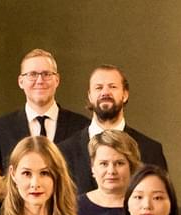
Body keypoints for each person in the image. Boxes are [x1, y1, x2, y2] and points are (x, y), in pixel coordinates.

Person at [58, 64, 169, 193]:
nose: (105, 93)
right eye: (98, 88)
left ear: (125, 94)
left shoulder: (151, 150)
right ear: (90, 96)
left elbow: (164, 205)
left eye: (113, 87)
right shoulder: (63, 152)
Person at [0, 49, 89, 169]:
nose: (40, 81)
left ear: (57, 80)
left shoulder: (82, 126)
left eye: (46, 74)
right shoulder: (0, 128)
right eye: (32, 74)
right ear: (21, 81)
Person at [78, 130, 143, 215]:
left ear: (132, 167)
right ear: (93, 168)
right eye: (104, 164)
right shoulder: (73, 208)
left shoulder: (143, 206)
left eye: (119, 163)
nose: (111, 171)